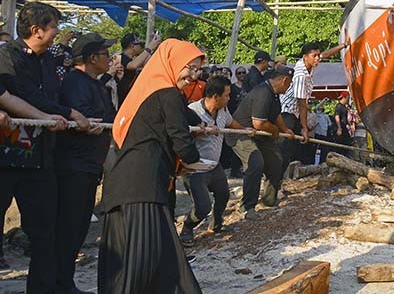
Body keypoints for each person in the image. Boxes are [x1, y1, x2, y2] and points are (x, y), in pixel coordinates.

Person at [98, 39, 204, 294]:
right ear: (172, 63)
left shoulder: (146, 90)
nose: (193, 76)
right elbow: (181, 141)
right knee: (139, 265)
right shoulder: (168, 93)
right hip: (143, 187)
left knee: (155, 259)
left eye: (197, 70)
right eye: (189, 68)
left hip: (124, 184)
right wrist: (195, 160)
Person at [0, 2, 87, 293]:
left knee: (44, 231)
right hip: (5, 159)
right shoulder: (7, 57)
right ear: (37, 30)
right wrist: (61, 114)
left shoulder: (50, 61)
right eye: (54, 27)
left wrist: (73, 116)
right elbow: (21, 95)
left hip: (40, 159)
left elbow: (50, 98)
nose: (57, 32)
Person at [55, 33, 117, 293]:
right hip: (74, 166)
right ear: (92, 58)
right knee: (69, 227)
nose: (110, 59)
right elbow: (87, 118)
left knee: (79, 226)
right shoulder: (75, 82)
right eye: (105, 54)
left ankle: (64, 281)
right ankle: (59, 283)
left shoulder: (96, 84)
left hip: (89, 165)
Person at [179, 76, 254, 245]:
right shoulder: (193, 111)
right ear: (215, 96)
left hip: (214, 165)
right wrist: (200, 132)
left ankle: (216, 224)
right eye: (226, 95)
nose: (229, 98)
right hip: (194, 168)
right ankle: (187, 228)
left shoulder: (223, 110)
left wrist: (245, 130)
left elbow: (231, 122)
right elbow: (180, 136)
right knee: (203, 207)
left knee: (223, 195)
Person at [232, 65, 296, 217]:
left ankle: (268, 199)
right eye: (290, 83)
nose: (289, 87)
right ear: (284, 80)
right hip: (242, 134)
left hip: (260, 135)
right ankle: (246, 207)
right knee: (256, 163)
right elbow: (259, 123)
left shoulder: (274, 94)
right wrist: (275, 131)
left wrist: (285, 129)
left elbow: (276, 114)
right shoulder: (263, 93)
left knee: (275, 161)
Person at [280, 42, 346, 166]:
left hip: (295, 114)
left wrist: (342, 45)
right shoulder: (300, 76)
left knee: (297, 148)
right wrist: (305, 128)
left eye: (318, 55)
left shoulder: (310, 63)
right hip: (287, 114)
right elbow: (301, 103)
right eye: (314, 56)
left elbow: (324, 55)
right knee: (288, 148)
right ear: (305, 57)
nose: (317, 59)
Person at [117, 32, 160, 105]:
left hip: (130, 99)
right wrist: (149, 48)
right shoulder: (120, 58)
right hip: (121, 101)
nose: (141, 47)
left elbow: (148, 63)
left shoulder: (132, 59)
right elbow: (133, 65)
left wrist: (153, 47)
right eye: (140, 45)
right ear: (132, 46)